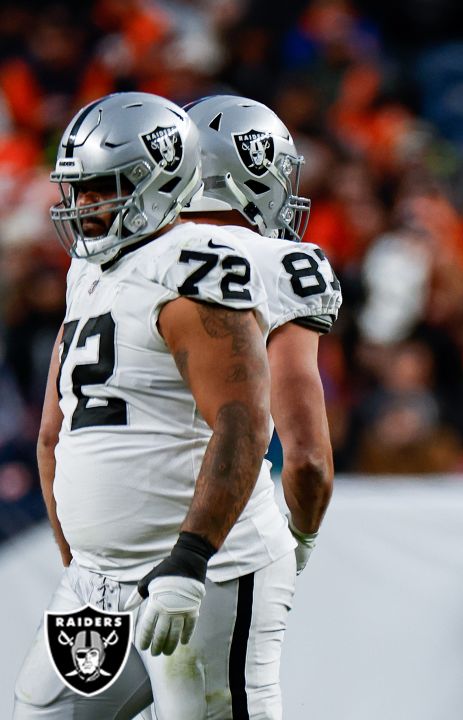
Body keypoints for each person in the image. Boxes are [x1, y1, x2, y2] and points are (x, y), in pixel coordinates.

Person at [13, 92, 295, 719]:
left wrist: (191, 555)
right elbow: (55, 430)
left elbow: (244, 422)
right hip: (98, 582)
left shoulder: (197, 267)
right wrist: (82, 553)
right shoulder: (87, 272)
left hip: (206, 571)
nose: (84, 207)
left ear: (159, 179)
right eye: (77, 191)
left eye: (101, 188)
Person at [181, 94, 342, 576]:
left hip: (114, 533)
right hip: (225, 536)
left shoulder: (110, 265)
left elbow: (50, 440)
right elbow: (309, 457)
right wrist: (302, 538)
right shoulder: (281, 263)